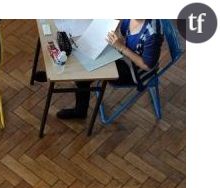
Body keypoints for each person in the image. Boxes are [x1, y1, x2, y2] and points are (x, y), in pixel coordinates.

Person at [35, 19, 163, 120]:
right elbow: (123, 34)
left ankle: (78, 108)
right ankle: (59, 75)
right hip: (123, 54)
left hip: (135, 72)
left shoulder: (153, 33)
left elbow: (147, 65)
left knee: (86, 71)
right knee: (83, 52)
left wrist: (122, 48)